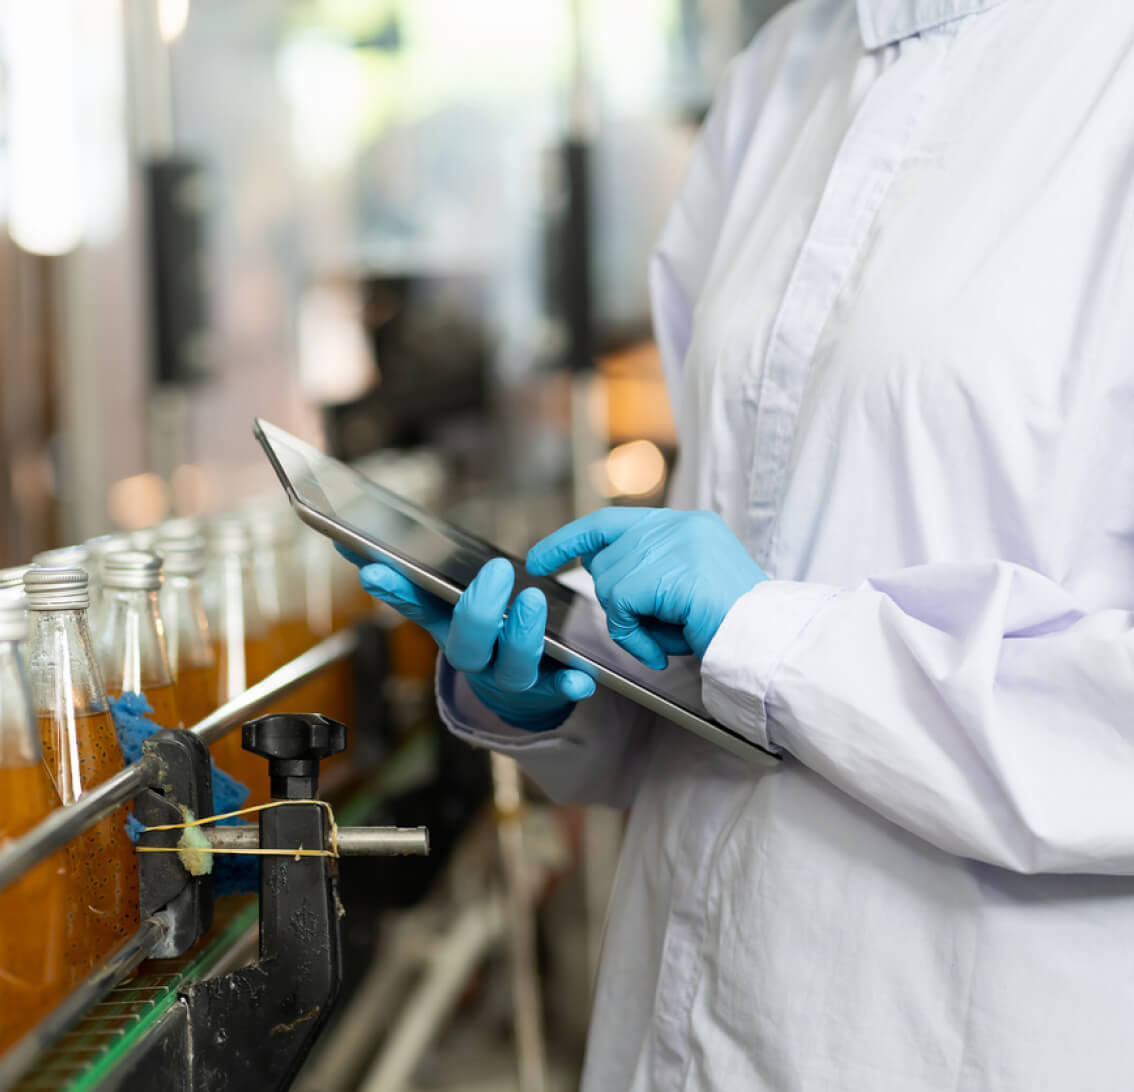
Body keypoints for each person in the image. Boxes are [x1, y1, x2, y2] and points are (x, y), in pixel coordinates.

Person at [341, 1, 1134, 1088]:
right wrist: (570, 685)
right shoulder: (782, 71)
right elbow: (730, 605)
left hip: (962, 1032)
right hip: (680, 1012)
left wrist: (774, 637)